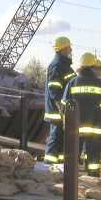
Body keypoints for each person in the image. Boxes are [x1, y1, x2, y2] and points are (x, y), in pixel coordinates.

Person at [63, 52, 101, 176]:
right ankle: (93, 176)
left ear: (81, 66)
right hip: (95, 127)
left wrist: (67, 121)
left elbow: (64, 104)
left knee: (74, 154)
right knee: (93, 155)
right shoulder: (100, 84)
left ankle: (72, 178)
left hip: (75, 127)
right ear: (93, 67)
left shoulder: (72, 82)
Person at [44, 36, 76, 164]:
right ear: (63, 49)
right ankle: (49, 163)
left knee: (62, 137)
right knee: (56, 135)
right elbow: (54, 90)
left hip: (62, 109)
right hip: (56, 110)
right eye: (69, 48)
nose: (71, 50)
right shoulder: (57, 65)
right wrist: (60, 108)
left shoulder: (64, 65)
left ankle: (62, 165)